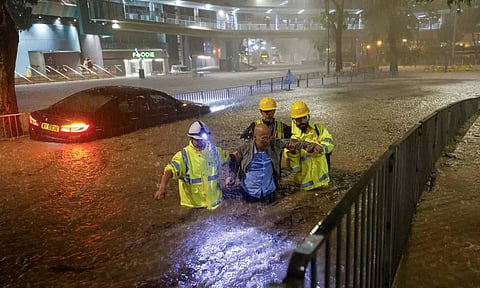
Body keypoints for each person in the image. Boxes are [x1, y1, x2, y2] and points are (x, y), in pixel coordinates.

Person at [231, 123, 322, 203]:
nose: (268, 141)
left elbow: (294, 142)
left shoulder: (274, 144)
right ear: (254, 137)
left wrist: (311, 146)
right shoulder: (244, 149)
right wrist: (231, 176)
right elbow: (234, 162)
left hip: (269, 193)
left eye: (269, 137)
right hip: (249, 194)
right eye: (264, 138)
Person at [154, 120, 232, 210]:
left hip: (215, 205)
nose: (201, 142)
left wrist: (229, 175)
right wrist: (162, 187)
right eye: (198, 140)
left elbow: (230, 158)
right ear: (191, 138)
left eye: (203, 140)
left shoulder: (215, 151)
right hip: (194, 207)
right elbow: (170, 170)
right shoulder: (183, 156)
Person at [284, 101, 334, 190]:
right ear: (294, 121)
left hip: (323, 183)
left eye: (304, 117)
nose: (302, 121)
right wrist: (293, 153)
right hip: (304, 188)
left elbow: (330, 143)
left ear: (308, 117)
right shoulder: (292, 140)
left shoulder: (319, 129)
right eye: (298, 119)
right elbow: (294, 169)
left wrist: (321, 148)